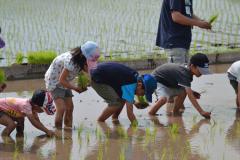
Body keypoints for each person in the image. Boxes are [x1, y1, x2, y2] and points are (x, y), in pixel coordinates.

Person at [44, 41, 100, 129]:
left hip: (65, 82)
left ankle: (68, 128)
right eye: (89, 59)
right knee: (61, 108)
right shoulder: (71, 61)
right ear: (83, 56)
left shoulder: (80, 60)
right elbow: (61, 80)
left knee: (70, 107)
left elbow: (86, 72)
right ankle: (58, 132)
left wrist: (87, 82)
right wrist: (75, 88)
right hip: (54, 82)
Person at [90, 62, 157, 124]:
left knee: (122, 99)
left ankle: (115, 118)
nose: (141, 95)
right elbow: (130, 114)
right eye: (143, 93)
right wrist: (136, 126)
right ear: (139, 85)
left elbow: (125, 96)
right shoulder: (131, 85)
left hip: (100, 73)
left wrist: (133, 102)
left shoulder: (134, 78)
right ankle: (100, 121)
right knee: (115, 104)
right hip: (97, 78)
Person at [148, 53, 211, 119]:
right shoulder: (184, 74)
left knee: (183, 91)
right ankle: (151, 114)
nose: (202, 73)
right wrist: (202, 112)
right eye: (200, 70)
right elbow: (190, 96)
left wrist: (191, 91)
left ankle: (175, 113)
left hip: (167, 83)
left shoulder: (187, 71)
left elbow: (185, 87)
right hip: (156, 82)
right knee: (163, 99)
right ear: (192, 66)